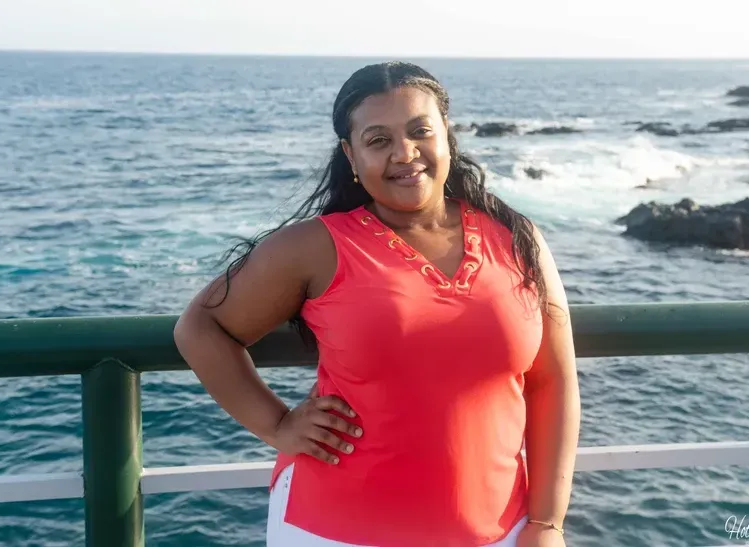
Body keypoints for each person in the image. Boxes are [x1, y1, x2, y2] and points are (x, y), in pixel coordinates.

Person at [174, 61, 580, 547]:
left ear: (446, 134)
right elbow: (200, 328)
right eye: (378, 140)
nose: (405, 154)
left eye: (420, 131)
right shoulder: (313, 248)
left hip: (501, 531)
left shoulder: (516, 238)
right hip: (333, 530)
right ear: (350, 154)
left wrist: (546, 522)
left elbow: (553, 382)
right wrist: (277, 423)